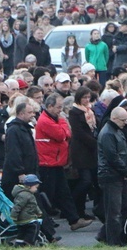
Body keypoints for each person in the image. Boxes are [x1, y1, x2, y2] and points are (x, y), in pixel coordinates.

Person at [35, 93, 92, 231]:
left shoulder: (53, 119)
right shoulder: (45, 121)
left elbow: (67, 132)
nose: (60, 110)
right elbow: (62, 134)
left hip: (56, 162)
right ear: (49, 106)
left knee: (63, 193)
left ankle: (74, 220)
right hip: (47, 164)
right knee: (48, 195)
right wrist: (63, 124)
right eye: (58, 107)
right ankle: (43, 223)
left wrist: (63, 126)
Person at [95, 106, 127, 246]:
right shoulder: (108, 133)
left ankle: (105, 234)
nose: (125, 123)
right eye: (123, 120)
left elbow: (122, 153)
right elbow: (112, 157)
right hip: (110, 175)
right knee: (114, 211)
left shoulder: (116, 130)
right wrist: (126, 170)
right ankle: (113, 240)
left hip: (118, 174)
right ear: (114, 118)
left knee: (126, 207)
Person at [68, 86, 98, 220]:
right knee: (85, 181)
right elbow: (78, 132)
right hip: (81, 151)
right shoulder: (75, 112)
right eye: (84, 97)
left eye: (88, 97)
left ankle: (81, 210)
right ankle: (72, 204)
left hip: (90, 151)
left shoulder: (90, 111)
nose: (86, 100)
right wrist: (94, 142)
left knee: (89, 181)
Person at [1, 101, 38, 200]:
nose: (33, 115)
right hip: (17, 176)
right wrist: (20, 172)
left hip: (28, 172)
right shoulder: (14, 130)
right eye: (30, 112)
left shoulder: (25, 128)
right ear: (21, 114)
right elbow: (13, 153)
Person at [11, 174, 43, 246]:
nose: (36, 189)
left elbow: (34, 205)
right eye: (35, 187)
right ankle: (29, 241)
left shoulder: (28, 194)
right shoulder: (25, 195)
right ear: (29, 186)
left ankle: (19, 243)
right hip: (26, 217)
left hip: (23, 218)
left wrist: (38, 212)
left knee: (22, 231)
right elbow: (17, 206)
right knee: (34, 226)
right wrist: (14, 216)